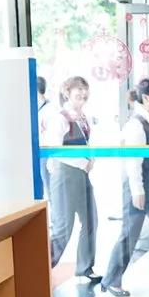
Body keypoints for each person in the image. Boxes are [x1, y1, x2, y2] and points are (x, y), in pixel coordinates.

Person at [101, 78, 149, 297]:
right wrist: (138, 190)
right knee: (130, 234)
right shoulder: (136, 125)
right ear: (146, 98)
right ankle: (111, 280)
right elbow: (133, 161)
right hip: (141, 188)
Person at [45, 76, 100, 281]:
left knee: (91, 221)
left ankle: (85, 267)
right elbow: (55, 150)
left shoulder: (83, 117)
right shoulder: (59, 118)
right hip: (65, 176)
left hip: (81, 175)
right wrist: (83, 163)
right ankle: (40, 267)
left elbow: (86, 145)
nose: (83, 93)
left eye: (85, 89)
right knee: (63, 228)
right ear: (67, 92)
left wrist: (90, 159)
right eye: (78, 89)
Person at [36, 76, 52, 200]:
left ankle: (54, 209)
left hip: (46, 151)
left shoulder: (49, 109)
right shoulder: (36, 107)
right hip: (38, 151)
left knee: (48, 184)